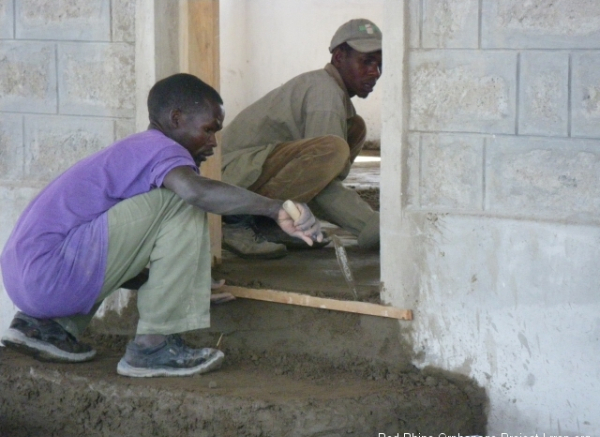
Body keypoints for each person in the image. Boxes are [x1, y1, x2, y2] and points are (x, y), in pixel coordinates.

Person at [0, 73, 322, 378]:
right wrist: (274, 208)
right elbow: (196, 192)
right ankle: (154, 347)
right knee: (184, 200)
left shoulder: (137, 151)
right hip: (51, 273)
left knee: (177, 199)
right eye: (209, 129)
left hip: (25, 282)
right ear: (176, 119)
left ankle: (47, 329)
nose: (213, 142)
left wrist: (184, 281)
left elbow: (124, 253)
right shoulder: (161, 148)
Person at [220, 18, 382, 259]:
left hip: (244, 173)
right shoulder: (324, 94)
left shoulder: (328, 89)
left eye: (380, 64)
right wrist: (372, 227)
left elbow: (320, 179)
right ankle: (235, 223)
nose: (375, 72)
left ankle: (269, 225)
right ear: (339, 58)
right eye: (366, 61)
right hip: (227, 182)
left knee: (353, 129)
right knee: (332, 150)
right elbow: (322, 182)